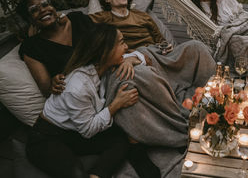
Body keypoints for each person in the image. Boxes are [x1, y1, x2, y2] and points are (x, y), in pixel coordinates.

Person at [25, 23, 160, 178]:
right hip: (46, 137)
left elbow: (144, 58)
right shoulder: (78, 87)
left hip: (75, 132)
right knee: (76, 173)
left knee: (122, 139)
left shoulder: (104, 65)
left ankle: (100, 172)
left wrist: (130, 60)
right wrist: (116, 104)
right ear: (105, 51)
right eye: (122, 42)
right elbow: (88, 130)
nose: (126, 47)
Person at [90, 0, 216, 102]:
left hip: (157, 54)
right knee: (144, 67)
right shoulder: (103, 18)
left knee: (196, 46)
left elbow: (160, 40)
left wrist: (166, 47)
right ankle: (177, 96)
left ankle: (213, 92)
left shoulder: (143, 16)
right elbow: (76, 23)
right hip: (135, 58)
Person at [16, 0, 138, 97]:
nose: (42, 10)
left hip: (112, 73)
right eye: (34, 10)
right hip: (84, 94)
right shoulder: (32, 47)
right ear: (29, 19)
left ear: (53, 7)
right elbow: (47, 91)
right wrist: (54, 83)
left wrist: (130, 59)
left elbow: (111, 44)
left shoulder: (77, 20)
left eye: (45, 4)